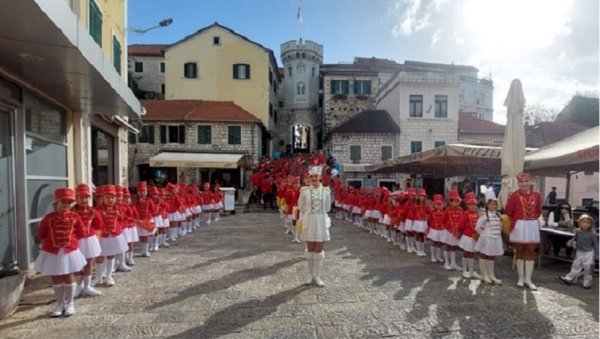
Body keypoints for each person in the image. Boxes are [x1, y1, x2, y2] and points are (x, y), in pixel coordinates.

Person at [35, 188, 87, 317]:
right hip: (53, 251)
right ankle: (59, 303)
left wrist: (71, 242)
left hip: (69, 251)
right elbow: (41, 233)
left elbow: (81, 233)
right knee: (56, 276)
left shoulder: (75, 217)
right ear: (56, 203)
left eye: (69, 203)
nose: (66, 205)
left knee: (69, 275)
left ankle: (70, 303)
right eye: (63, 202)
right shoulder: (48, 218)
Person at [505, 172, 542, 290]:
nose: (524, 184)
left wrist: (532, 218)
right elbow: (508, 211)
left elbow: (538, 210)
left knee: (530, 250)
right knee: (519, 250)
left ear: (530, 182)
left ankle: (528, 279)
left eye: (526, 181)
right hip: (519, 224)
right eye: (522, 182)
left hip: (531, 224)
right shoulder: (514, 196)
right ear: (518, 183)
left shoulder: (537, 196)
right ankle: (520, 278)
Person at [299, 165, 332, 287]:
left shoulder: (326, 191)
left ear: (320, 177)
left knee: (318, 250)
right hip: (309, 221)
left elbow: (328, 207)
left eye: (315, 176)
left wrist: (318, 214)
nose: (313, 178)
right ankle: (310, 274)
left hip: (321, 221)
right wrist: (310, 213)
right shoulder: (304, 191)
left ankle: (317, 275)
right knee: (310, 250)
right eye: (311, 176)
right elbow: (301, 206)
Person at [72, 184, 103, 297]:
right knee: (77, 264)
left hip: (89, 239)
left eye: (86, 197)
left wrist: (96, 238)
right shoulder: (72, 211)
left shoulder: (93, 212)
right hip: (77, 240)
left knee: (89, 262)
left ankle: (87, 286)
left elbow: (98, 225)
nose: (84, 200)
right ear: (76, 198)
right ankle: (78, 286)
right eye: (81, 197)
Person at [559, 214, 598, 288]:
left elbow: (596, 244)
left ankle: (587, 283)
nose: (585, 224)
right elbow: (575, 238)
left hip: (589, 253)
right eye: (583, 222)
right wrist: (570, 241)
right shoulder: (578, 231)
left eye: (588, 222)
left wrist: (597, 254)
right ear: (580, 223)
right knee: (575, 265)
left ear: (590, 224)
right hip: (579, 252)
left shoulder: (592, 233)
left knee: (588, 268)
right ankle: (569, 278)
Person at [474, 198, 504, 284]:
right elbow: (478, 227)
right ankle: (484, 275)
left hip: (496, 238)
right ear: (488, 205)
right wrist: (483, 234)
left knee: (492, 256)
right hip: (487, 238)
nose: (494, 206)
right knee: (484, 255)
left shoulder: (498, 215)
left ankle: (491, 275)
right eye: (492, 204)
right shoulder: (485, 215)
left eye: (495, 204)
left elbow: (500, 227)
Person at [458, 192, 481, 279]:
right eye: (470, 205)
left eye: (474, 204)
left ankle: (471, 271)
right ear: (467, 205)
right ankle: (464, 270)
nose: (473, 206)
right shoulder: (466, 213)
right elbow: (461, 224)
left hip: (474, 236)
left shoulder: (477, 213)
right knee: (466, 253)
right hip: (467, 237)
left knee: (471, 254)